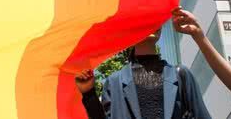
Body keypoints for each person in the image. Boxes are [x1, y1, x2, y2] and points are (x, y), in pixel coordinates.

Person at [75, 28, 211, 119]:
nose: (153, 24)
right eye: (146, 19)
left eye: (157, 19)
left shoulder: (181, 75)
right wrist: (89, 94)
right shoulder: (114, 83)